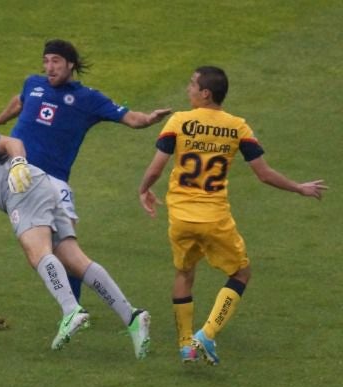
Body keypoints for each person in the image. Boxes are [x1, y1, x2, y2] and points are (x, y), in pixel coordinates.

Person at [0, 38, 171, 304]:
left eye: (55, 61)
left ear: (70, 64)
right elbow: (20, 100)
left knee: (66, 250)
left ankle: (74, 308)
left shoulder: (89, 99)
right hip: (9, 168)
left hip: (52, 181)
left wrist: (148, 119)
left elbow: (129, 117)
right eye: (46, 61)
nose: (49, 67)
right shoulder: (33, 83)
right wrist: (0, 118)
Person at [0, 111, 151, 358]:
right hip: (38, 187)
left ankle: (71, 310)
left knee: (37, 253)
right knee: (75, 260)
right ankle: (133, 317)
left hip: (22, 191)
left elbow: (12, 142)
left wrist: (18, 163)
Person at [137, 66, 328, 365]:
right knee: (241, 273)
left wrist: (144, 190)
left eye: (192, 85)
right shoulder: (238, 127)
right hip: (215, 218)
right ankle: (207, 334)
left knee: (184, 273)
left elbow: (156, 167)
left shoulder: (179, 122)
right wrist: (299, 188)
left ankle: (186, 345)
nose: (187, 89)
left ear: (205, 93)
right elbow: (264, 174)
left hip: (181, 218)